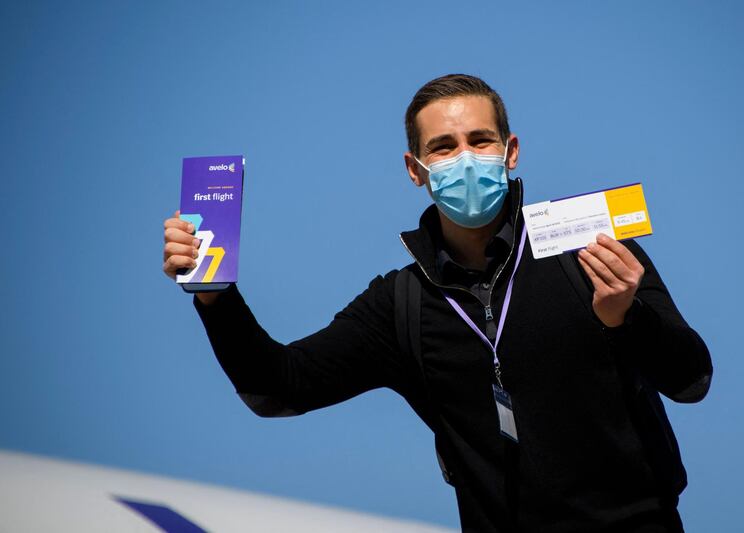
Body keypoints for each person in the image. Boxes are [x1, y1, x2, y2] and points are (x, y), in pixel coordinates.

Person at [162, 74, 712, 532]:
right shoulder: (401, 303)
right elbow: (275, 386)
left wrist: (625, 320)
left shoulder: (586, 247)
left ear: (511, 152)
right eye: (443, 148)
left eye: (481, 140)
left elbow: (692, 378)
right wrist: (215, 295)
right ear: (415, 169)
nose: (465, 159)